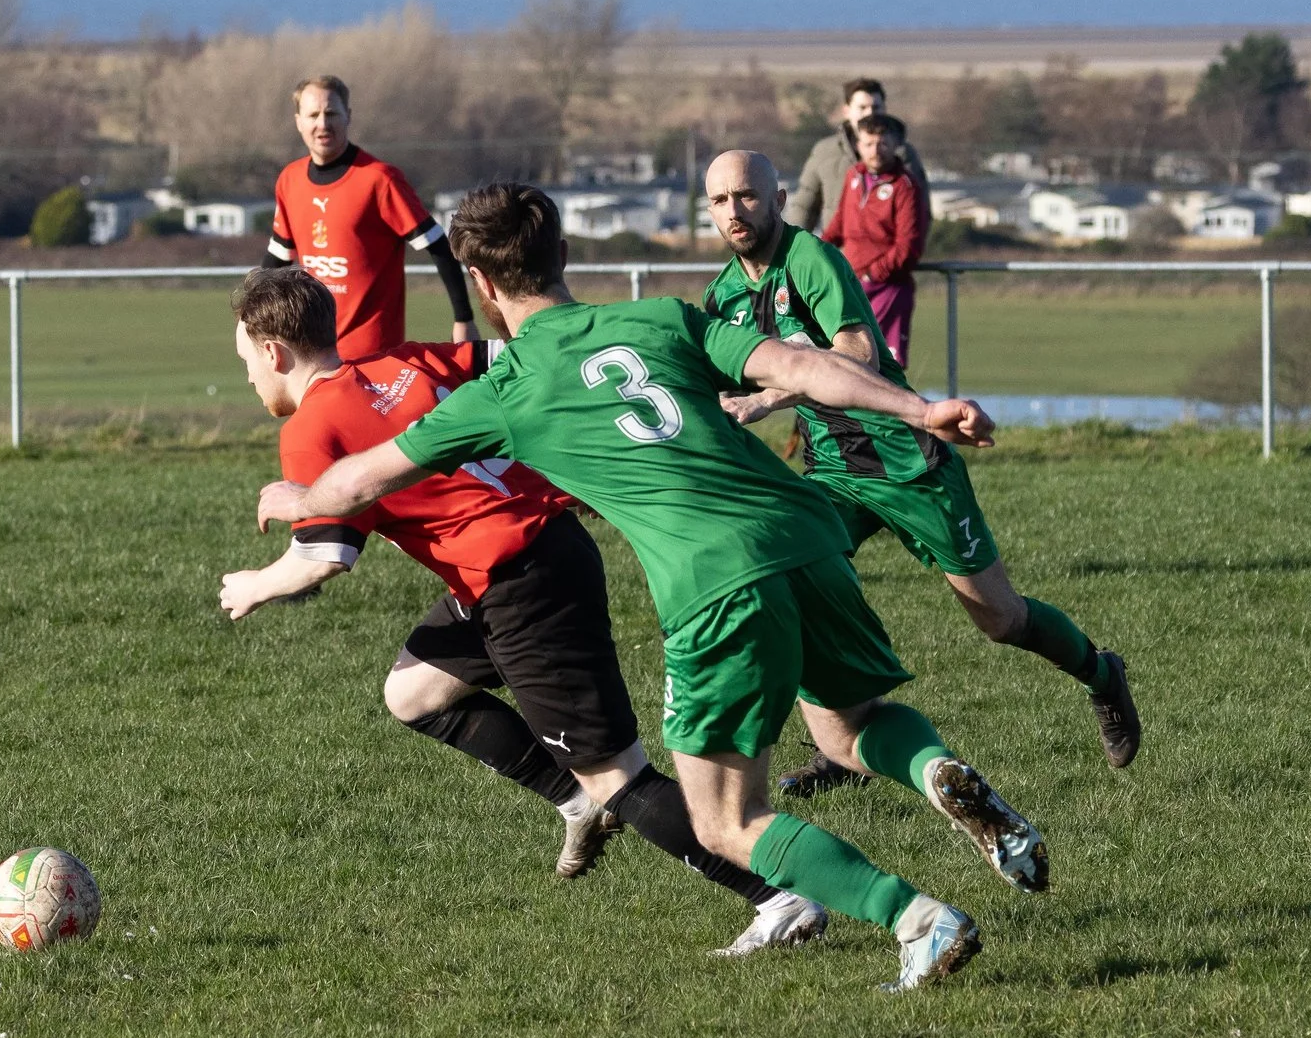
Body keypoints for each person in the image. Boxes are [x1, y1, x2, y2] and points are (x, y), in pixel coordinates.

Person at [259, 176, 1050, 992]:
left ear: (485, 288)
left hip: (713, 582)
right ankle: (936, 775)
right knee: (849, 730)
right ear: (564, 255)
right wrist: (922, 412)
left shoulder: (504, 391)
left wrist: (299, 498)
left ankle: (918, 920)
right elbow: (802, 365)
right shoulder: (663, 316)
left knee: (725, 820)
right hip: (808, 536)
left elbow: (360, 484)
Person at [217, 266, 827, 958]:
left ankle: (778, 899)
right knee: (414, 692)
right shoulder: (403, 361)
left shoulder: (308, 430)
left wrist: (253, 586)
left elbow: (324, 558)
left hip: (521, 582)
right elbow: (524, 354)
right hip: (531, 557)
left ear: (273, 352)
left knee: (620, 774)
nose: (246, 377)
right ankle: (573, 801)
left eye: (244, 360)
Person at [701, 150, 1141, 797]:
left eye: (745, 196)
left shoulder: (813, 259)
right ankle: (844, 748)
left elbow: (859, 351)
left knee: (1001, 620)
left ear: (777, 196)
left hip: (907, 460)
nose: (734, 212)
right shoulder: (723, 296)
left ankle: (1102, 674)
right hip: (831, 470)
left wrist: (775, 394)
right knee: (794, 581)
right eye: (719, 201)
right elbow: (710, 385)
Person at [262, 76, 477, 355]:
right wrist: (251, 318)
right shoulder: (289, 180)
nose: (323, 124)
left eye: (331, 113)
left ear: (348, 116)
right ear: (298, 121)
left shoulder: (379, 179)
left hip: (374, 355)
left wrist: (463, 318)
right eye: (313, 115)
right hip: (313, 353)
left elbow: (438, 246)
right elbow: (277, 258)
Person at [820, 113, 931, 367]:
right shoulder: (854, 176)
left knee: (884, 367)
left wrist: (874, 274)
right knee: (847, 362)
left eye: (883, 144)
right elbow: (840, 222)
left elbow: (908, 245)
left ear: (894, 146)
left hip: (886, 287)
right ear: (858, 145)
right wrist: (819, 249)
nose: (875, 150)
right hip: (852, 284)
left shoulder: (905, 186)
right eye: (869, 144)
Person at [787, 77, 927, 235]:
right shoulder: (825, 152)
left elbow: (920, 212)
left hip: (886, 256)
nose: (870, 113)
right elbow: (804, 207)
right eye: (862, 107)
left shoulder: (902, 153)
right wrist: (794, 249)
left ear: (884, 109)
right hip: (837, 254)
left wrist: (903, 256)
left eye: (876, 107)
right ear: (846, 111)